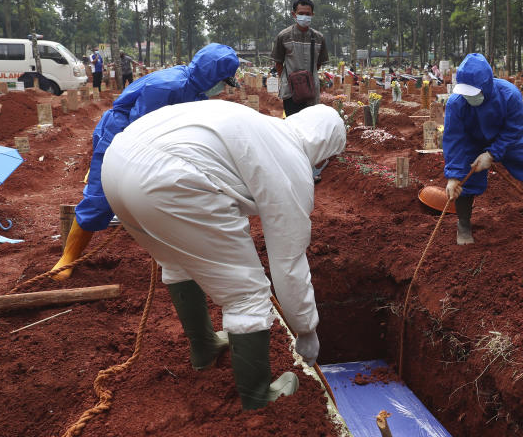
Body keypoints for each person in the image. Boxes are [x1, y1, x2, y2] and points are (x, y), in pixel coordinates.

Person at [101, 102, 346, 410]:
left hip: (117, 163)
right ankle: (258, 397)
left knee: (178, 260)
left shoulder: (264, 128)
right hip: (170, 179)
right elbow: (289, 262)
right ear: (325, 147)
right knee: (247, 294)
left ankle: (203, 348)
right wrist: (306, 329)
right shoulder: (291, 159)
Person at [51, 43, 240, 284]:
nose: (222, 87)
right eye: (222, 80)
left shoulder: (195, 89)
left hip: (156, 141)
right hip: (121, 134)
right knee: (101, 198)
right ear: (212, 75)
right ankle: (68, 258)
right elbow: (139, 128)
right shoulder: (167, 86)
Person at [443, 53, 523, 245]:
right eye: (465, 92)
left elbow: (514, 128)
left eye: (473, 91)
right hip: (472, 140)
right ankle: (463, 224)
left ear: (486, 84)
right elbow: (454, 139)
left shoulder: (509, 94)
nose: (469, 96)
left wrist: (492, 153)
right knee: (464, 175)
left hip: (508, 137)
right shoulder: (456, 104)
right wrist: (453, 176)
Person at [272, 0, 328, 116]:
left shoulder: (319, 38)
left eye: (308, 14)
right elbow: (278, 63)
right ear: (294, 14)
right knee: (293, 126)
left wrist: (307, 78)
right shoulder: (284, 36)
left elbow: (318, 63)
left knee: (311, 124)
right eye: (301, 13)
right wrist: (289, 80)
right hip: (291, 92)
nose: (304, 16)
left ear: (312, 15)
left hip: (311, 91)